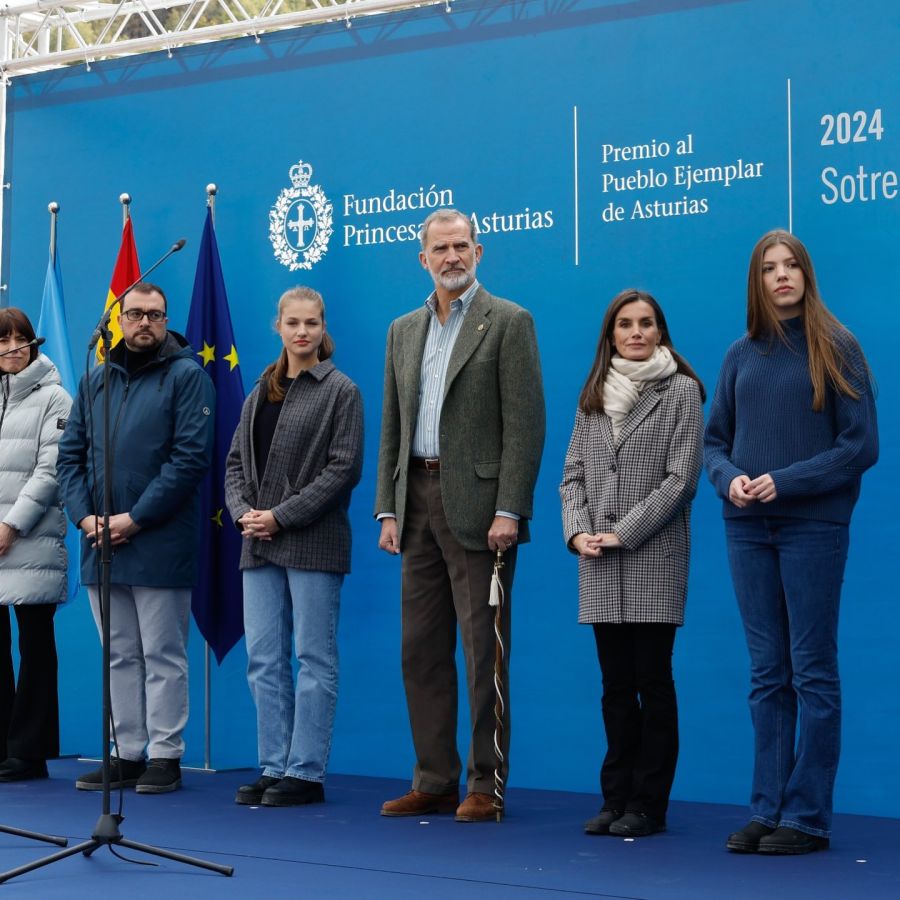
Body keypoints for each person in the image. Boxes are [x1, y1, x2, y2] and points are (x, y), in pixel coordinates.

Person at [705, 230, 878, 855]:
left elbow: (860, 446)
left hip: (814, 528)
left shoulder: (838, 347)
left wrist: (786, 481)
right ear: (757, 281)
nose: (781, 276)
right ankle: (767, 808)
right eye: (769, 268)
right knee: (766, 673)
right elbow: (714, 443)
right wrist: (731, 483)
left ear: (807, 274)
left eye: (791, 266)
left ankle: (807, 817)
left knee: (812, 672)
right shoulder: (739, 354)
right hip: (747, 527)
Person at [375, 208, 545, 823]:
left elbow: (525, 426)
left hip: (479, 508)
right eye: (439, 249)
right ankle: (434, 778)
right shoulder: (401, 330)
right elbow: (393, 425)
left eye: (461, 247)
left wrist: (510, 507)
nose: (451, 258)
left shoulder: (508, 322)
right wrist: (386, 510)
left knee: (482, 653)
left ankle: (484, 784)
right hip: (414, 502)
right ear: (423, 258)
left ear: (480, 251)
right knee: (419, 650)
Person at [57, 282, 214, 794]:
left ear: (166, 322)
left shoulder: (187, 376)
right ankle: (126, 753)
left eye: (156, 315)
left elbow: (190, 459)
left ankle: (165, 756)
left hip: (158, 540)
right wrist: (86, 519)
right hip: (99, 542)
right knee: (118, 653)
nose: (145, 322)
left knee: (163, 653)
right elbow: (70, 459)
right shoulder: (96, 379)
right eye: (136, 314)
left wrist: (134, 519)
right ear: (118, 321)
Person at [560, 289, 704, 837]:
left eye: (646, 323)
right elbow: (571, 474)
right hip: (597, 561)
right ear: (611, 334)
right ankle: (614, 798)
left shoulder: (681, 392)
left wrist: (625, 532)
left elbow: (681, 479)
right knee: (614, 687)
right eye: (625, 324)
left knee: (653, 681)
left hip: (652, 558)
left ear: (660, 332)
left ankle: (648, 804)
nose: (636, 332)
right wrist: (577, 533)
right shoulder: (593, 394)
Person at [225, 287, 363, 807]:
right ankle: (273, 765)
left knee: (313, 657)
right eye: (293, 323)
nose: (302, 332)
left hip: (313, 541)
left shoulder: (340, 390)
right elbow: (235, 464)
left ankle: (304, 772)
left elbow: (343, 469)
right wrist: (245, 514)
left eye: (311, 323)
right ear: (277, 326)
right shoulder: (260, 390)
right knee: (263, 659)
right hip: (256, 543)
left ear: (323, 328)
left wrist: (281, 516)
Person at [0, 309, 72, 782]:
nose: (12, 346)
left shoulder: (55, 397)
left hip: (30, 541)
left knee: (35, 647)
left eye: (20, 338)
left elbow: (49, 472)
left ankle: (31, 751)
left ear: (33, 342)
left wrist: (10, 526)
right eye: (3, 339)